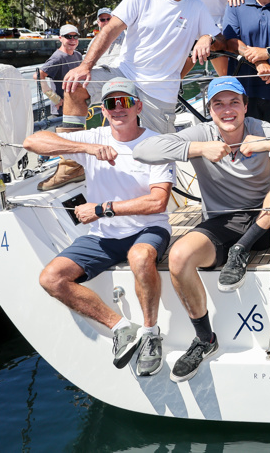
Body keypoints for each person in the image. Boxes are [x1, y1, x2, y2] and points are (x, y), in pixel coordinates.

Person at [132, 77, 270, 382]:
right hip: (223, 221)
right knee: (178, 257)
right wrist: (199, 149)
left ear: (245, 106)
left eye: (233, 103)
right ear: (210, 109)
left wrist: (267, 145)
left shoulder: (263, 129)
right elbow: (143, 151)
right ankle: (205, 339)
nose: (227, 110)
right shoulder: (202, 133)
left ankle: (242, 249)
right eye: (218, 104)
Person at [22, 78, 175, 377]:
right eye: (111, 103)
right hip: (104, 235)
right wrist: (89, 148)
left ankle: (150, 332)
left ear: (138, 106)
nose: (118, 109)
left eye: (125, 102)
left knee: (140, 257)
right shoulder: (94, 138)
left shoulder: (156, 144)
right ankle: (120, 327)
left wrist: (102, 209)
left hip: (148, 229)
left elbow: (158, 202)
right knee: (51, 279)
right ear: (102, 110)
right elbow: (33, 141)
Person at [47, 0, 217, 190]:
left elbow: (213, 35)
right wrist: (85, 65)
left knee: (158, 159)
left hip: (160, 94)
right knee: (74, 87)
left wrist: (204, 38)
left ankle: (153, 206)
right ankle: (71, 165)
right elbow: (109, 31)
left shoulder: (196, 7)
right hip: (124, 75)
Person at [35, 23, 83, 119]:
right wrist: (55, 98)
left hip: (76, 108)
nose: (73, 40)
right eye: (68, 37)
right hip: (61, 111)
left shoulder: (78, 55)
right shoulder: (57, 58)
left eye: (75, 36)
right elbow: (38, 75)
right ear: (60, 38)